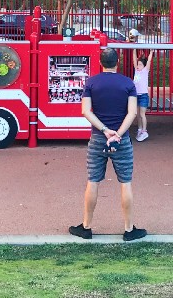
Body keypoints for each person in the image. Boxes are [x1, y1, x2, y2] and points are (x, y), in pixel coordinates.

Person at [69, 47, 147, 242]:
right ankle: (129, 230)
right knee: (125, 182)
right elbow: (132, 113)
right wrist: (118, 134)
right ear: (117, 62)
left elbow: (86, 111)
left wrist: (104, 130)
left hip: (97, 138)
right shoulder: (128, 83)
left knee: (93, 181)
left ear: (101, 62)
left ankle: (86, 227)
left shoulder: (91, 83)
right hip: (122, 141)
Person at [133, 48, 154, 142]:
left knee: (142, 114)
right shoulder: (136, 71)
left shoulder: (145, 71)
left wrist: (151, 52)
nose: (138, 66)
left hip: (143, 95)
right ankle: (139, 129)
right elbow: (134, 60)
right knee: (138, 114)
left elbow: (149, 60)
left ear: (144, 66)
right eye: (138, 64)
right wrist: (133, 49)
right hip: (136, 95)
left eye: (140, 64)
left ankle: (144, 131)